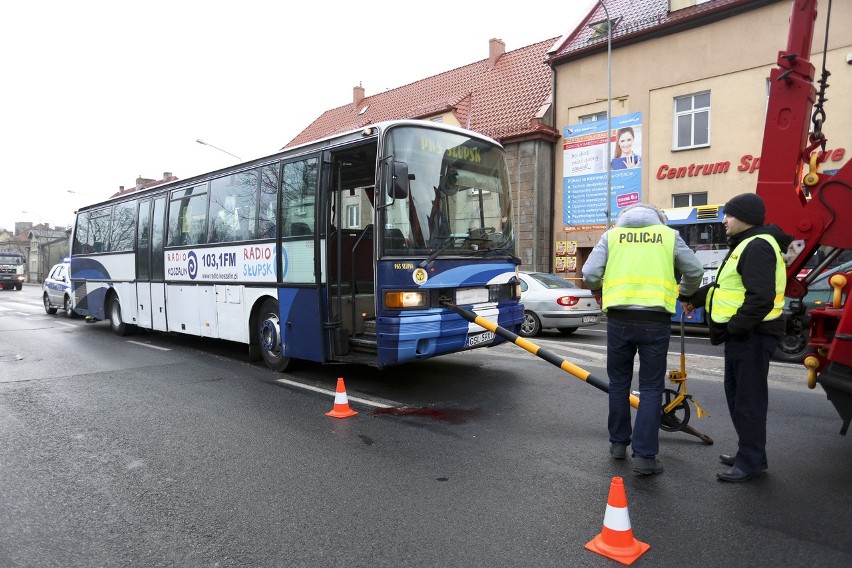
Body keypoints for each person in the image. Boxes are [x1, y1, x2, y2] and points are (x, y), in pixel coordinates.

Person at [583, 203, 703, 476]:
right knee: (650, 388)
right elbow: (694, 271)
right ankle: (645, 458)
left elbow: (590, 274)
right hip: (655, 321)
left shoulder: (611, 236)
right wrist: (682, 293)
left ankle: (617, 444)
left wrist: (599, 291)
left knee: (618, 384)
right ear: (657, 218)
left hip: (618, 320)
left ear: (622, 218)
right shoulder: (668, 235)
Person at [682, 193, 791, 482]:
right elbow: (725, 286)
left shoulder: (757, 247)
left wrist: (736, 328)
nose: (724, 220)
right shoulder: (747, 244)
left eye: (729, 215)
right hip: (745, 336)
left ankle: (751, 462)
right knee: (738, 398)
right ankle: (750, 453)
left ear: (745, 217)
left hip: (752, 336)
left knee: (749, 401)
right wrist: (698, 297)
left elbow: (760, 298)